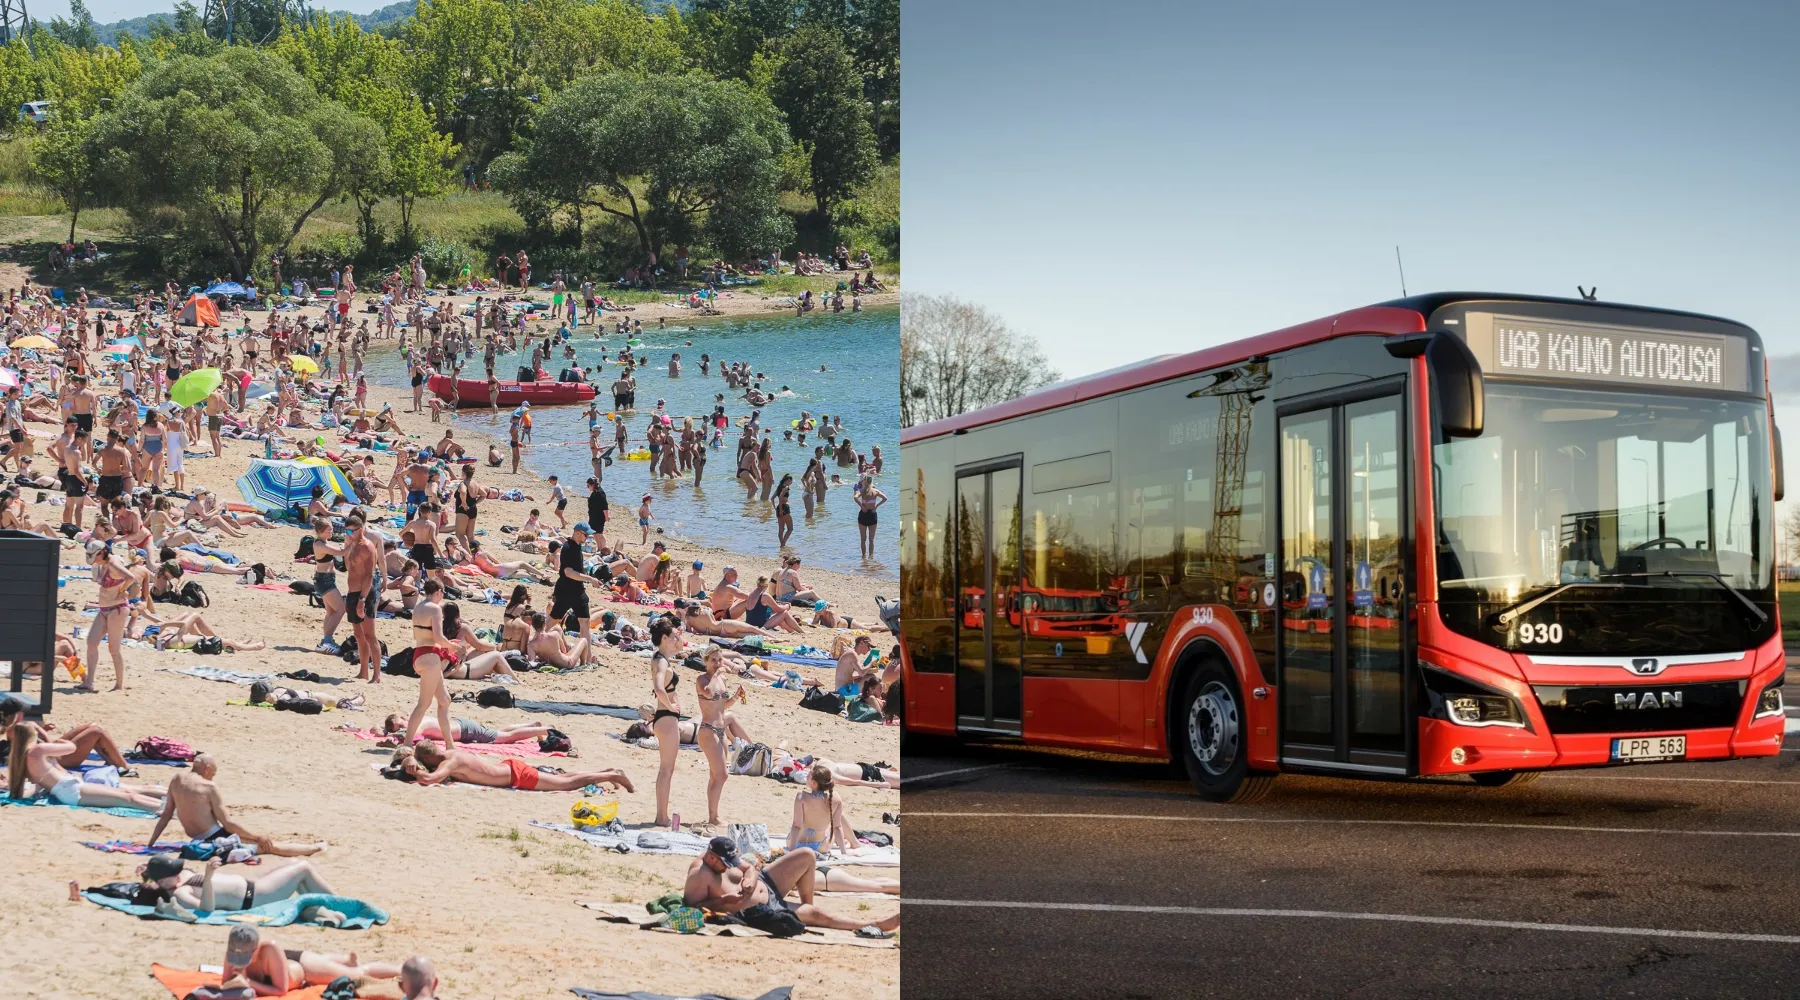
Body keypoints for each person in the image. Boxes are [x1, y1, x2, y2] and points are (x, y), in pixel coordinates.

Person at [681, 837, 898, 937]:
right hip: (761, 909)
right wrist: (722, 902)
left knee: (806, 855)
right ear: (711, 858)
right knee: (819, 915)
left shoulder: (723, 855)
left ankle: (806, 907)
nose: (730, 866)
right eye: (725, 864)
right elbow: (693, 910)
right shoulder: (699, 876)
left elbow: (750, 868)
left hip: (766, 882)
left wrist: (750, 879)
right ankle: (872, 923)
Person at [147, 754, 327, 858]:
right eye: (213, 774)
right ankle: (316, 849)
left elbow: (166, 814)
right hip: (214, 840)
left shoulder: (176, 779)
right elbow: (228, 824)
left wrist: (151, 843)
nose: (213, 778)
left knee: (259, 842)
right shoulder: (208, 787)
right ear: (208, 769)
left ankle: (309, 847)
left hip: (195, 840)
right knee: (270, 846)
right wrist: (258, 836)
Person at [787, 763, 899, 893]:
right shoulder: (836, 799)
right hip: (821, 847)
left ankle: (850, 843)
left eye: (809, 776)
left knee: (800, 826)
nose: (806, 776)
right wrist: (843, 852)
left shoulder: (801, 797)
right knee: (830, 829)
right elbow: (838, 827)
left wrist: (792, 850)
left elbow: (796, 826)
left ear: (813, 782)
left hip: (800, 845)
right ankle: (851, 843)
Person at [6, 722, 167, 811]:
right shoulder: (37, 751)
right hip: (71, 790)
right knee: (128, 797)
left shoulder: (21, 759)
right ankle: (167, 810)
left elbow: (37, 786)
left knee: (126, 794)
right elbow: (71, 748)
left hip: (70, 787)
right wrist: (47, 735)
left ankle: (168, 807)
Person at [220, 925, 402, 994]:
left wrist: (248, 982)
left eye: (247, 957)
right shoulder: (235, 949)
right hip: (287, 965)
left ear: (257, 948)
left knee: (357, 974)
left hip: (303, 968)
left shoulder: (270, 949)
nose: (241, 961)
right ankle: (345, 958)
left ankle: (400, 968)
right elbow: (226, 983)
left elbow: (280, 990)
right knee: (321, 961)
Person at [391, 742, 632, 792]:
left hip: (515, 775)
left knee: (566, 783)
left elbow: (429, 780)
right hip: (509, 768)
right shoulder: (450, 752)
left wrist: (416, 770)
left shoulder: (449, 762)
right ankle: (606, 772)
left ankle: (612, 775)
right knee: (563, 776)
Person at [402, 580, 457, 754]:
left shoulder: (418, 607)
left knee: (444, 700)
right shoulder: (435, 608)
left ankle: (450, 744)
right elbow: (439, 637)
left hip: (420, 654)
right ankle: (407, 743)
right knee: (423, 704)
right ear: (439, 591)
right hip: (430, 657)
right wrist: (453, 647)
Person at [694, 648, 741, 828]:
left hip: (721, 731)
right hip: (708, 730)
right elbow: (708, 693)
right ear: (706, 662)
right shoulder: (702, 680)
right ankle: (713, 817)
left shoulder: (720, 680)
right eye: (713, 660)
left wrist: (736, 697)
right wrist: (716, 675)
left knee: (715, 776)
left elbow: (722, 705)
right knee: (722, 775)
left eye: (720, 660)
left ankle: (713, 815)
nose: (717, 664)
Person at [647, 617, 684, 828]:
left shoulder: (662, 657)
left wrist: (677, 634)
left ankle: (662, 814)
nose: (675, 641)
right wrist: (670, 705)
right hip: (667, 718)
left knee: (666, 770)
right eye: (671, 637)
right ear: (663, 638)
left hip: (665, 719)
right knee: (666, 770)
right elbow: (659, 687)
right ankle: (661, 816)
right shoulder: (661, 661)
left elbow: (679, 648)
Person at [549, 522, 600, 664]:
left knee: (585, 621)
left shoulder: (576, 547)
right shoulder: (568, 548)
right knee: (553, 620)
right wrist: (589, 578)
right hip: (566, 590)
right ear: (577, 533)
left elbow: (576, 566)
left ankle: (587, 658)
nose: (588, 538)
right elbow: (568, 572)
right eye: (586, 535)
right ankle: (536, 642)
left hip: (578, 591)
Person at [343, 510, 383, 684]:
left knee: (370, 635)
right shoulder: (352, 545)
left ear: (360, 529)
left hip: (364, 594)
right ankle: (363, 671)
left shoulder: (367, 546)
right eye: (347, 531)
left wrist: (362, 600)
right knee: (358, 635)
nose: (348, 534)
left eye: (351, 531)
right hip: (353, 592)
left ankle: (377, 675)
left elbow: (368, 575)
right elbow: (349, 567)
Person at [377, 713, 553, 747]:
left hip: (465, 730)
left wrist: (392, 739)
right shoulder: (419, 719)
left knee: (505, 738)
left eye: (401, 725)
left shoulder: (418, 723)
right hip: (462, 725)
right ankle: (534, 725)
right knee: (497, 732)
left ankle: (545, 730)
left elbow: (413, 738)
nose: (403, 728)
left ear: (404, 718)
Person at [855, 475, 886, 560]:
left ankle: (863, 557)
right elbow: (885, 498)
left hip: (863, 514)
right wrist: (876, 506)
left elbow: (855, 497)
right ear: (872, 481)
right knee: (871, 539)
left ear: (864, 482)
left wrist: (862, 506)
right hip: (872, 514)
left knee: (863, 539)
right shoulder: (876, 491)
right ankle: (871, 558)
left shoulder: (861, 490)